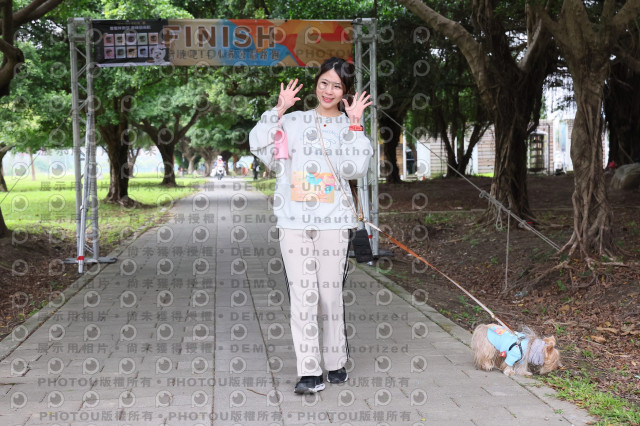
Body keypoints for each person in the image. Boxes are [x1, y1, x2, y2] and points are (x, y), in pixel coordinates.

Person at [249, 57, 373, 394]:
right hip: (294, 222)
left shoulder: (349, 127)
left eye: (337, 86)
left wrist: (355, 124)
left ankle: (335, 361)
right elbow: (259, 145)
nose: (329, 91)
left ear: (346, 92)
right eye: (324, 83)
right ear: (316, 84)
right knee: (303, 296)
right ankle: (309, 371)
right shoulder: (293, 121)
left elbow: (354, 168)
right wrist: (278, 109)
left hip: (333, 223)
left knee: (329, 296)